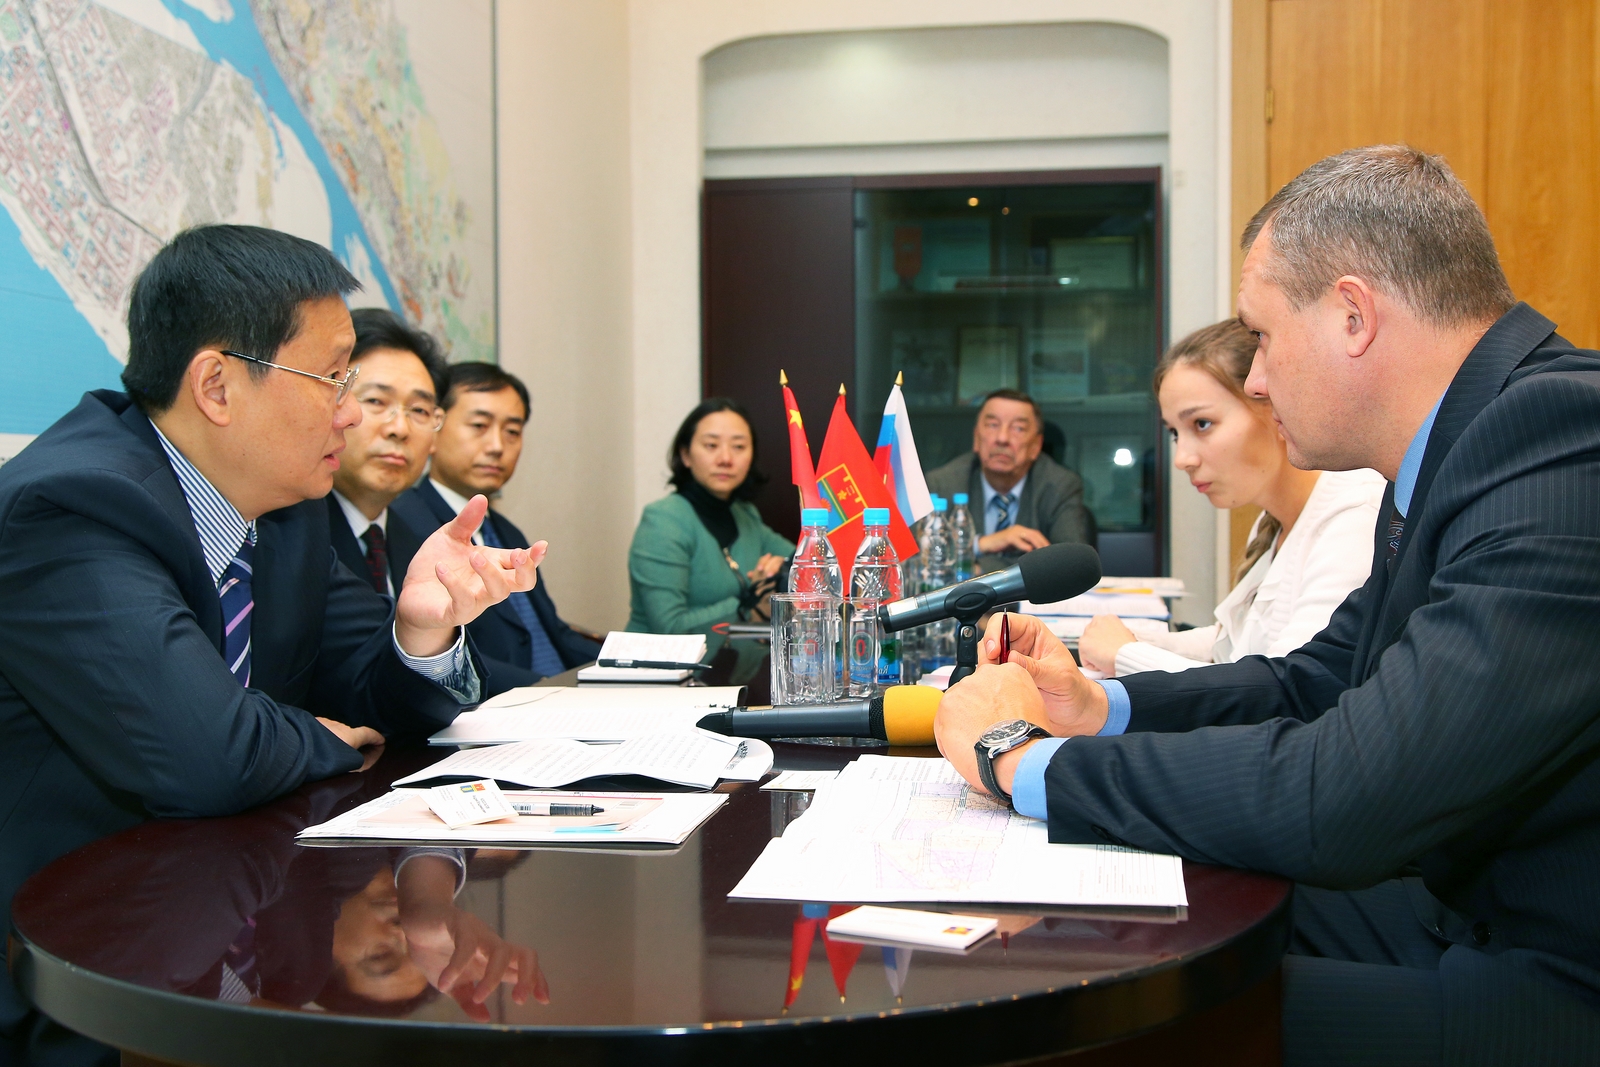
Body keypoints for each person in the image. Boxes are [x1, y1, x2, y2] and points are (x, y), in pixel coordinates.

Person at [935, 146, 1600, 1065]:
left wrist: (1018, 759)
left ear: (1353, 316)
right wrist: (1097, 708)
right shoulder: (1459, 447)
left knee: (1101, 1020)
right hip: (1461, 915)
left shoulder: (1556, 440)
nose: (1253, 378)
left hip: (1550, 984)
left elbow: (1348, 794)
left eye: (1262, 337)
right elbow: (1314, 679)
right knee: (1095, 931)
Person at [0, 225, 545, 1065]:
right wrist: (319, 734)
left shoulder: (285, 512)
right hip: (69, 987)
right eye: (335, 379)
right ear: (217, 385)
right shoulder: (74, 504)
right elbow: (206, 753)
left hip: (229, 948)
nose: (351, 413)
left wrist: (422, 627)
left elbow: (371, 687)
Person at [1079, 319, 1384, 676]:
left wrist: (1125, 654)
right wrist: (1140, 641)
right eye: (1175, 433)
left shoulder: (1354, 516)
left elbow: (1287, 687)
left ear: (1276, 405)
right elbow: (1235, 645)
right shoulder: (1273, 522)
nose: (1182, 459)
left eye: (1202, 424)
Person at [391, 363, 601, 695]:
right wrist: (545, 689)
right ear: (433, 429)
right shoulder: (404, 523)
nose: (497, 446)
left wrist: (634, 659)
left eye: (512, 431)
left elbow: (551, 632)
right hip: (496, 702)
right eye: (479, 425)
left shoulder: (506, 531)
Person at [627, 398, 793, 635]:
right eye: (711, 445)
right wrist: (750, 598)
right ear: (685, 455)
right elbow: (670, 628)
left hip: (728, 655)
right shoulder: (662, 520)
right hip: (660, 657)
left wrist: (782, 567)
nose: (725, 459)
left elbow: (805, 559)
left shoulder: (745, 515)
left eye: (738, 447)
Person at [327, 309, 447, 597]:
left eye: (419, 410)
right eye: (376, 401)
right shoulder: (286, 531)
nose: (400, 429)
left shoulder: (419, 545)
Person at [923, 389, 1094, 573]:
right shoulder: (943, 483)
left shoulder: (1060, 485)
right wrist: (982, 544)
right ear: (976, 438)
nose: (1002, 438)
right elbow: (917, 559)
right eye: (992, 425)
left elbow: (1073, 566)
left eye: (1018, 428)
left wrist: (977, 569)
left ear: (1036, 446)